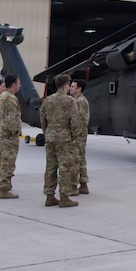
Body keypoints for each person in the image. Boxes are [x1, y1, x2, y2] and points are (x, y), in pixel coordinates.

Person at [40, 74, 79, 207]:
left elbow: (42, 119)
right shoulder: (70, 101)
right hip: (64, 139)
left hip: (50, 138)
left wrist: (47, 133)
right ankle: (64, 197)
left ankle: (49, 196)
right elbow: (75, 122)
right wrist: (74, 136)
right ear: (66, 85)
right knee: (65, 167)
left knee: (50, 167)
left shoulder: (48, 100)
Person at [0, 73, 23, 199]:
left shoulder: (1, 96)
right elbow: (12, 119)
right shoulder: (11, 99)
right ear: (14, 84)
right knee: (8, 162)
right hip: (8, 136)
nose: (20, 85)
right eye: (18, 83)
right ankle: (4, 189)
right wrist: (15, 132)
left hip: (0, 132)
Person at [71, 78, 90, 195]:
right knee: (81, 159)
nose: (70, 88)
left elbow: (79, 120)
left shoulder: (80, 102)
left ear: (79, 89)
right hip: (80, 134)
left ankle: (73, 187)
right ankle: (83, 185)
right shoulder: (78, 100)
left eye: (73, 86)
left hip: (78, 135)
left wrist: (73, 134)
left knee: (75, 160)